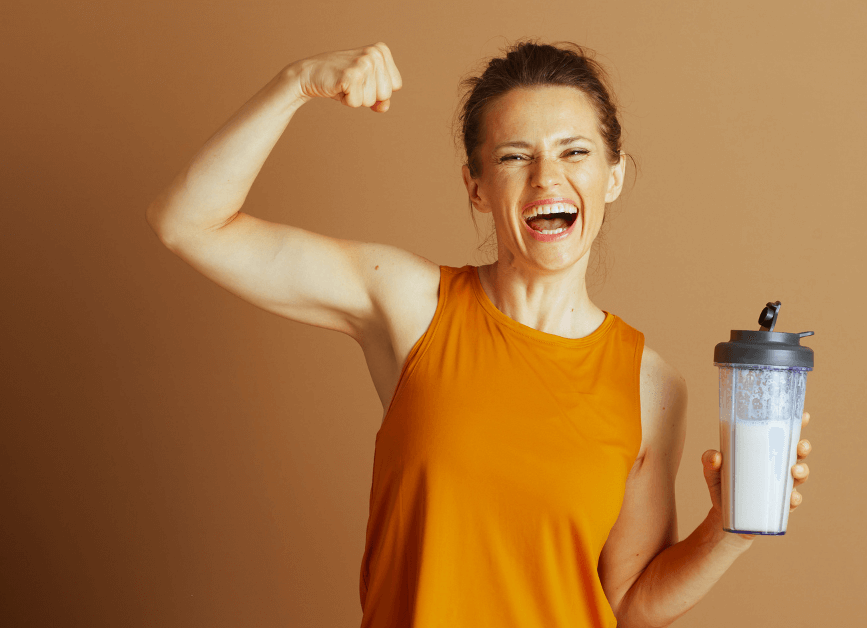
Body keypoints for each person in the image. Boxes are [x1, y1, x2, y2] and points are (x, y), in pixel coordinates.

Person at [145, 40, 813, 627]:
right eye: (516, 156)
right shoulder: (410, 305)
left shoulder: (652, 385)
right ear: (477, 187)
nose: (547, 177)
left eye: (575, 152)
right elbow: (188, 222)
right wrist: (297, 82)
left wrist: (730, 528)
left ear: (612, 177)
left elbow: (626, 604)